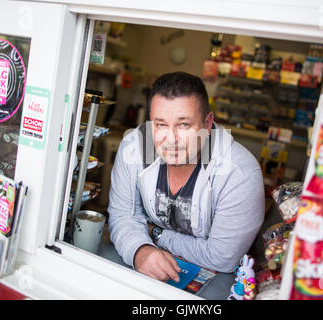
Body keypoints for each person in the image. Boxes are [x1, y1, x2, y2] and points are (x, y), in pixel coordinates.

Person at [108, 72, 264, 283]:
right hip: (145, 277)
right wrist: (140, 250)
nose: (171, 139)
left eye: (183, 125)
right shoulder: (136, 146)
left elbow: (221, 257)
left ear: (208, 124)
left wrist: (157, 234)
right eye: (160, 124)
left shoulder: (238, 172)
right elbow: (122, 215)